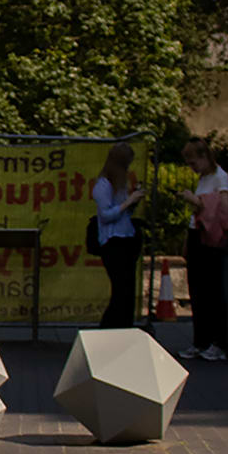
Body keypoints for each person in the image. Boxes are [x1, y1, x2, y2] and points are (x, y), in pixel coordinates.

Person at [178, 137, 228, 362]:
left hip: (210, 238)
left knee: (212, 290)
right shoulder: (204, 178)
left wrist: (196, 201)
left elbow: (223, 209)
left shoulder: (221, 177)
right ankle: (200, 341)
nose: (192, 168)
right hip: (197, 234)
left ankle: (217, 342)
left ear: (204, 157)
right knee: (197, 291)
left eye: (193, 163)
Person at [92, 140, 144, 328]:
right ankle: (108, 327)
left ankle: (125, 326)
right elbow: (106, 215)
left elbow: (124, 213)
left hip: (126, 238)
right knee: (120, 290)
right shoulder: (103, 185)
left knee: (128, 290)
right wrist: (128, 202)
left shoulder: (120, 186)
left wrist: (132, 202)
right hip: (112, 242)